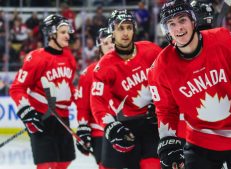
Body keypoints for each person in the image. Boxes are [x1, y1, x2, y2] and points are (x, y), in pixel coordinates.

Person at [148, 1, 231, 169]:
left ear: (193, 21)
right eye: (171, 24)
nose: (178, 28)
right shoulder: (160, 67)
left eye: (182, 20)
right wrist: (167, 139)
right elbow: (166, 109)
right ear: (167, 31)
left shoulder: (225, 41)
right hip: (200, 143)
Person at [90, 9, 162, 169]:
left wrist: (161, 105)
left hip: (152, 123)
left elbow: (169, 81)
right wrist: (110, 126)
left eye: (129, 27)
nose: (125, 33)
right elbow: (97, 103)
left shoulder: (151, 51)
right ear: (112, 32)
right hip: (123, 126)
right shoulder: (104, 66)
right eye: (120, 28)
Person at [9, 14, 76, 169]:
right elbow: (17, 88)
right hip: (42, 118)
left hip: (63, 118)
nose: (68, 35)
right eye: (63, 32)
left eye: (68, 32)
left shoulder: (69, 57)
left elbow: (67, 87)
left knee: (64, 161)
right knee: (47, 164)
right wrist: (26, 111)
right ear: (51, 34)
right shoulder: (37, 58)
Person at [75, 27, 114, 168]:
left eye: (112, 42)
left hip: (128, 127)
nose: (110, 45)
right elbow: (82, 106)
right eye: (106, 43)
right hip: (100, 130)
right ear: (100, 48)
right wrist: (83, 127)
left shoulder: (129, 66)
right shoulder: (89, 73)